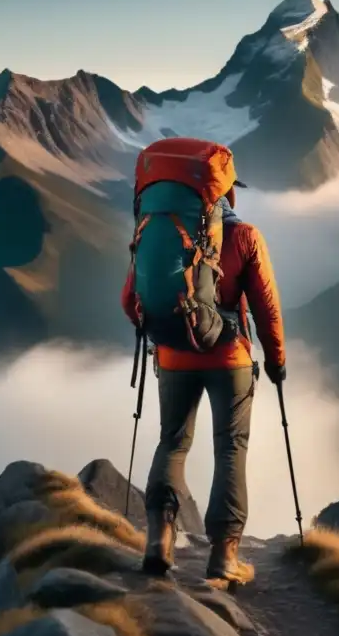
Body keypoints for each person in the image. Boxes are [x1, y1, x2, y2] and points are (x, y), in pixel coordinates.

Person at [120, 137, 286, 586]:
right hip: (229, 358)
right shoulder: (246, 237)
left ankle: (158, 544)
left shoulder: (160, 231)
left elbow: (128, 298)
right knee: (230, 447)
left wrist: (163, 328)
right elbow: (266, 308)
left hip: (173, 356)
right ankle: (223, 558)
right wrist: (277, 362)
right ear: (223, 193)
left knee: (172, 442)